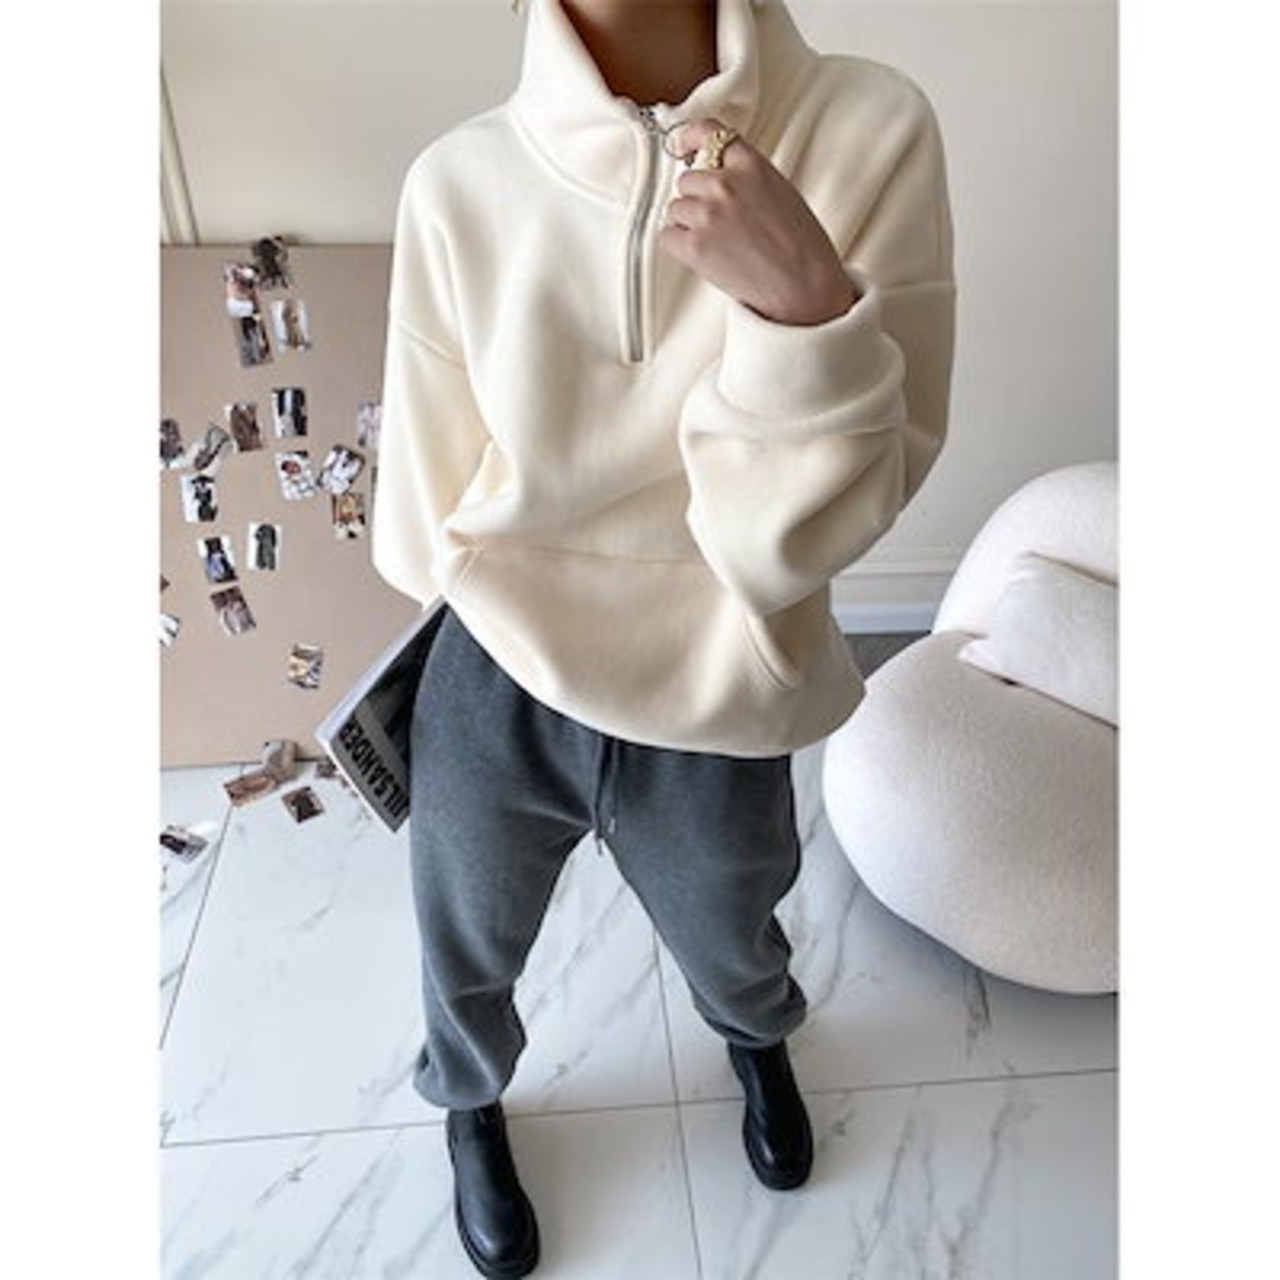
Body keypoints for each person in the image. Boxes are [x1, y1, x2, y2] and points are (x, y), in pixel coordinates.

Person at [372, 1, 955, 1275]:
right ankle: (468, 1099)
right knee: (464, 937)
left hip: (723, 661)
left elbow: (835, 513)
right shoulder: (458, 179)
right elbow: (418, 509)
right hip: (497, 666)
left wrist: (802, 305)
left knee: (730, 925)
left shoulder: (866, 129)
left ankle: (755, 1040)